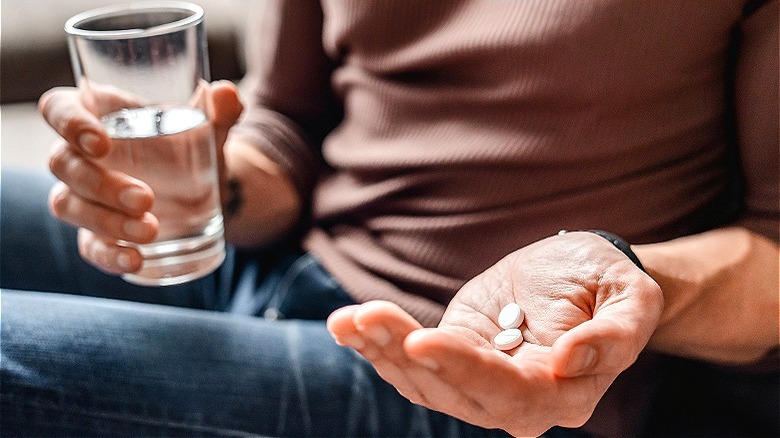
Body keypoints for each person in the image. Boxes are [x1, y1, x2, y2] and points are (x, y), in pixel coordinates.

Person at [2, 0, 777, 436]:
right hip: (280, 261)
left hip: (468, 371)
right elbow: (288, 129)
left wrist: (625, 277)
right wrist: (209, 183)